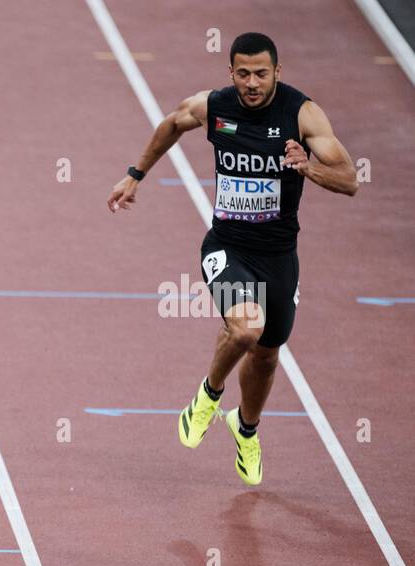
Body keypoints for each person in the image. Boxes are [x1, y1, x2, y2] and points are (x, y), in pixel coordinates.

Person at [107, 32, 357, 484]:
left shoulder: (302, 114)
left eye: (261, 73)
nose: (252, 82)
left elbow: (350, 179)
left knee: (266, 354)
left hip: (280, 257)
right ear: (231, 73)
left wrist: (307, 168)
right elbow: (172, 123)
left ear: (277, 72)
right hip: (227, 247)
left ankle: (245, 430)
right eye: (243, 73)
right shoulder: (216, 106)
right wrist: (134, 175)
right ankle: (208, 396)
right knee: (246, 327)